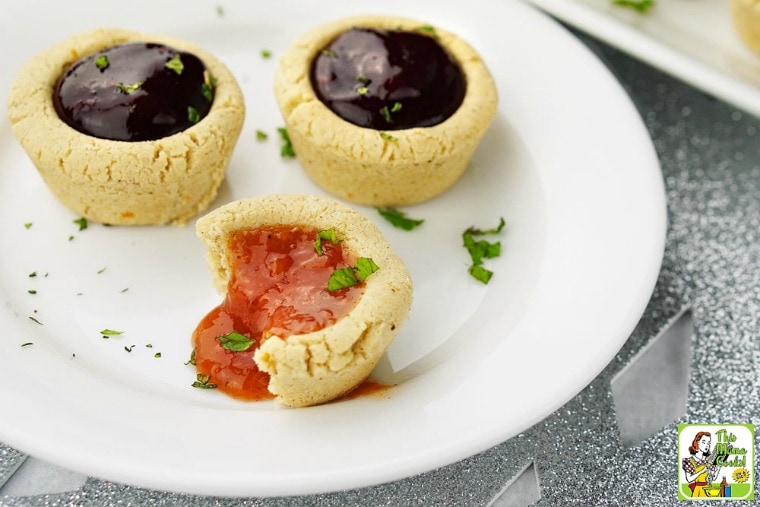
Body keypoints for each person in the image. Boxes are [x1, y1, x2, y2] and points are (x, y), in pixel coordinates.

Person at [682, 431, 720, 497]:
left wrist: (718, 467)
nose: (706, 445)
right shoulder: (689, 461)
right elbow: (689, 479)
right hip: (698, 491)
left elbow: (712, 478)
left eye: (708, 443)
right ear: (697, 442)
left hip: (708, 490)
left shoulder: (709, 460)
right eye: (704, 442)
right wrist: (702, 471)